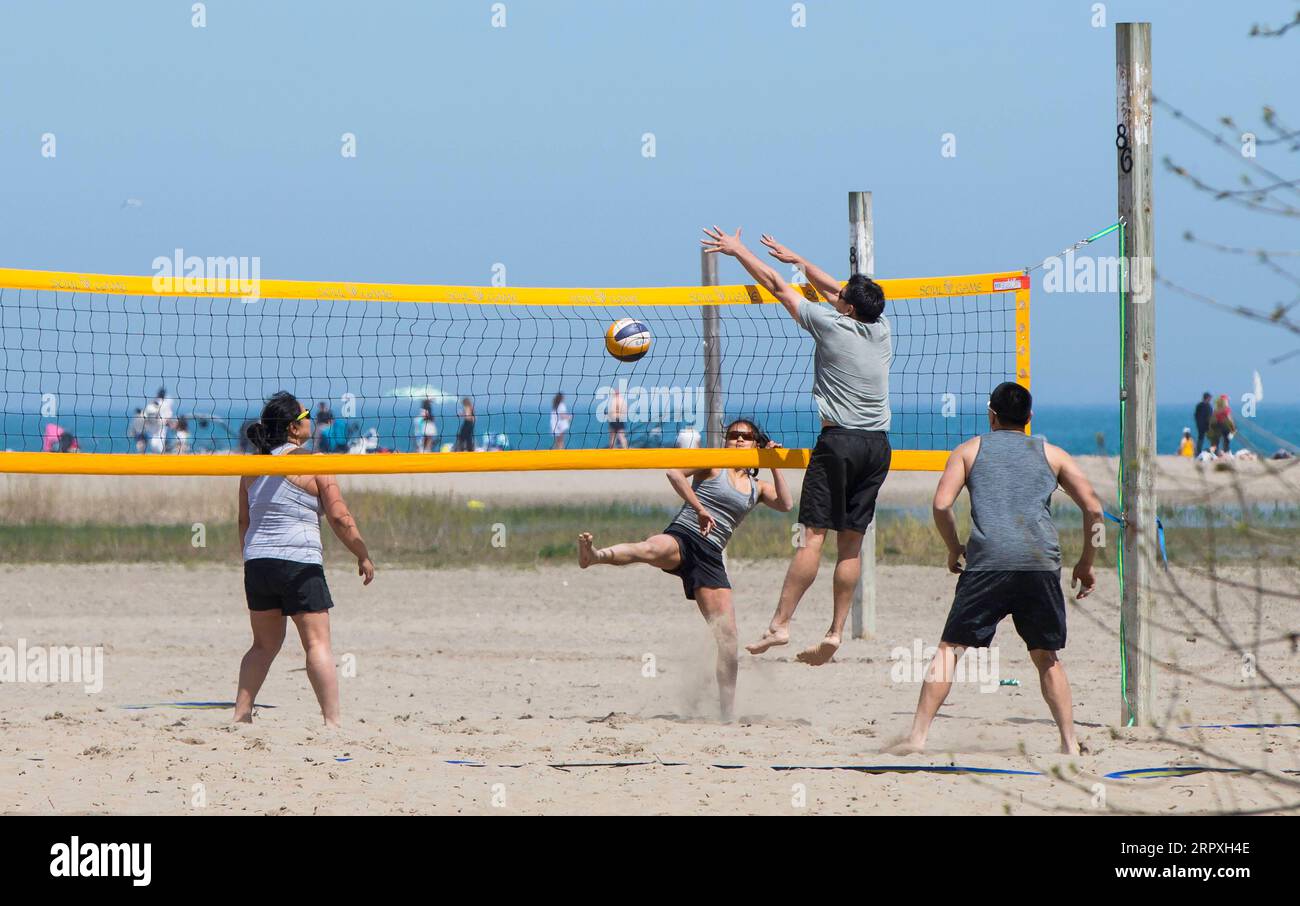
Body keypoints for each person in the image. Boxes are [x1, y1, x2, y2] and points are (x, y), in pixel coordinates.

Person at [703, 227, 892, 666]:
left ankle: (780, 625)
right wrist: (802, 261)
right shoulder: (882, 329)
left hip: (840, 442)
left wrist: (738, 251)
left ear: (845, 308)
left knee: (812, 540)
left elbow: (774, 285)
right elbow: (835, 289)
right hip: (878, 446)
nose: (835, 296)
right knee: (851, 547)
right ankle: (836, 631)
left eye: (841, 297)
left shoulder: (828, 323)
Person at [890, 383, 1102, 756]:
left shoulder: (969, 451)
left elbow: (941, 505)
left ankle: (918, 737)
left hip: (987, 563)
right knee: (1046, 656)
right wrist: (1087, 561)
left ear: (991, 414)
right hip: (1039, 565)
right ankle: (1070, 743)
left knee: (949, 650)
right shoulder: (1053, 455)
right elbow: (1095, 510)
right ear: (1029, 418)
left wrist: (954, 547)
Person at [577, 419, 792, 720]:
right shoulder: (712, 462)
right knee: (649, 549)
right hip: (685, 534)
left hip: (710, 556)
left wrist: (774, 463)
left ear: (756, 443)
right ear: (726, 440)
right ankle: (595, 555)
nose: (739, 440)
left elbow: (786, 503)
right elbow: (673, 473)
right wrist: (700, 509)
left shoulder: (757, 487)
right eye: (733, 435)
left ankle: (726, 714)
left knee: (728, 639)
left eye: (746, 437)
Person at [234, 391, 375, 727]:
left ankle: (240, 715)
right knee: (317, 644)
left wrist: (252, 558)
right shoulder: (315, 462)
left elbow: (243, 522)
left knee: (263, 645)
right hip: (299, 561)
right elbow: (340, 517)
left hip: (259, 563)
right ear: (293, 429)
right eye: (305, 415)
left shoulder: (251, 468)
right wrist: (363, 554)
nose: (311, 418)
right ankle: (332, 722)